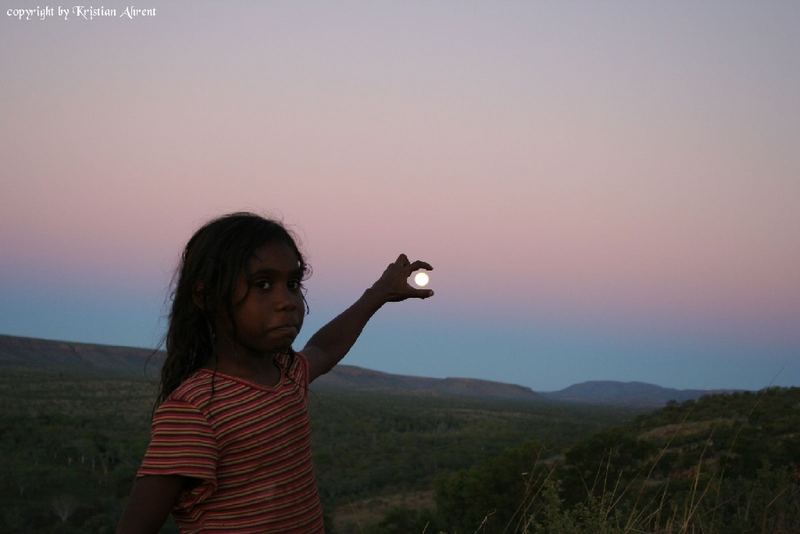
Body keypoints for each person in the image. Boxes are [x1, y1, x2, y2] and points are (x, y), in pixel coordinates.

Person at [116, 212, 433, 533]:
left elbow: (323, 349)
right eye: (263, 284)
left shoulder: (284, 373)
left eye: (292, 283)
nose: (287, 301)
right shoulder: (194, 410)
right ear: (205, 296)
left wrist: (377, 294)